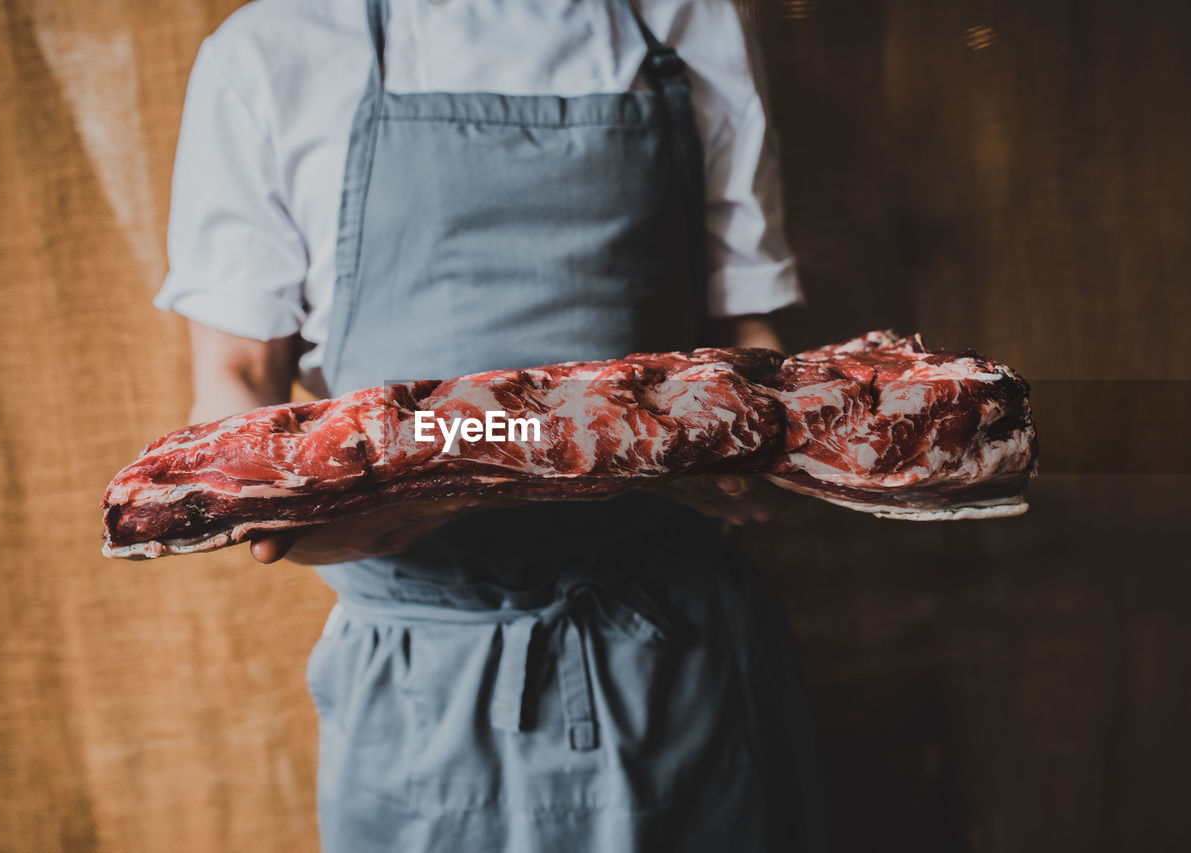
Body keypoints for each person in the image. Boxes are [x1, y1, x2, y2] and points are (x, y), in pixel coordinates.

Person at [158, 0, 826, 849]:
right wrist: (299, 518)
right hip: (418, 681)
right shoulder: (270, 51)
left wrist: (756, 458)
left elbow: (748, 341)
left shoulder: (688, 18)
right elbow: (235, 382)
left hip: (677, 660)